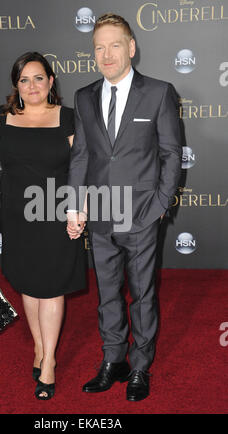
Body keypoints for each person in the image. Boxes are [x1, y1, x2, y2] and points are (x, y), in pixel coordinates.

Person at [67, 13, 182, 401]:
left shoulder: (159, 92)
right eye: (99, 47)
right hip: (99, 215)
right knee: (107, 294)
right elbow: (81, 156)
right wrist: (74, 206)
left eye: (115, 44)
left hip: (142, 214)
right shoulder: (84, 97)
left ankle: (139, 366)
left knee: (143, 293)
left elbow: (170, 153)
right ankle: (112, 359)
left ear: (131, 47)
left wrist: (160, 205)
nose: (107, 54)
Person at [0, 51, 86, 401]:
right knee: (27, 284)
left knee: (52, 287)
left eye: (39, 78)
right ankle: (40, 348)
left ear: (51, 81)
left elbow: (81, 170)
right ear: (16, 85)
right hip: (15, 215)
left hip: (55, 215)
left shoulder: (69, 118)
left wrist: (77, 210)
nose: (32, 86)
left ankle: (50, 361)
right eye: (24, 79)